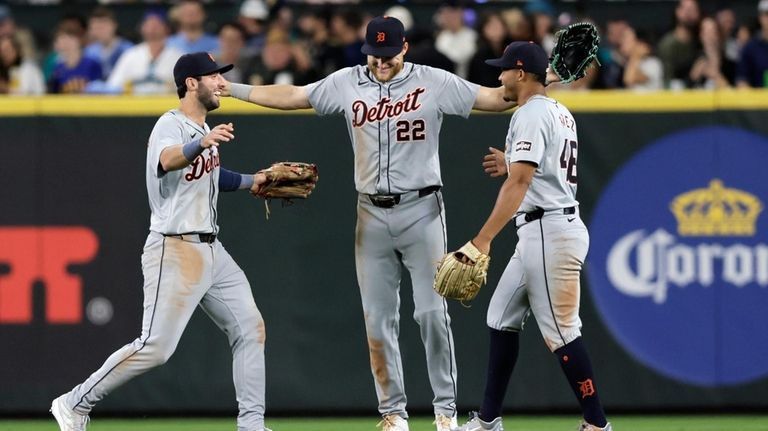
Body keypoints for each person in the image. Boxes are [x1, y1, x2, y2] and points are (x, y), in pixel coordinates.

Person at [224, 15, 519, 431]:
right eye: (374, 55)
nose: (380, 63)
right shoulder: (347, 81)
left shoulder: (433, 81)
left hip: (423, 209)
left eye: (388, 54)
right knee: (378, 318)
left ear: (403, 49)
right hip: (371, 212)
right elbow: (294, 95)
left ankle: (445, 412)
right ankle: (393, 413)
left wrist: (539, 82)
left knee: (432, 314)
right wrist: (233, 89)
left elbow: (494, 99)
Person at [50, 52, 272, 431]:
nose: (221, 83)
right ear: (191, 83)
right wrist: (201, 146)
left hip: (212, 251)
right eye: (214, 77)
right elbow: (169, 160)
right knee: (155, 347)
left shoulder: (204, 133)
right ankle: (74, 402)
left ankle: (251, 426)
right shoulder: (169, 125)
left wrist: (255, 181)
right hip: (176, 247)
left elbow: (210, 178)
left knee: (250, 328)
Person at [452, 41, 611, 431]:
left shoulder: (530, 114)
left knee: (562, 333)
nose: (499, 76)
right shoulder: (558, 110)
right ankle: (489, 420)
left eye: (504, 70)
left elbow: (520, 182)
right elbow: (541, 169)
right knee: (500, 316)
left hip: (548, 231)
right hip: (548, 227)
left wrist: (482, 239)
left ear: (521, 73)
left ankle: (597, 424)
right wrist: (510, 162)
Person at [104, 10, 183, 94]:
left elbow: (187, 91)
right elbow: (113, 85)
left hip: (168, 105)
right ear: (142, 28)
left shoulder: (178, 57)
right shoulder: (131, 55)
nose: (153, 28)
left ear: (166, 28)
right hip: (134, 105)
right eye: (149, 24)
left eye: (157, 24)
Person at [84, 6, 133, 78]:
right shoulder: (89, 52)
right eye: (96, 27)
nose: (100, 31)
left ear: (114, 25)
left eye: (103, 26)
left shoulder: (129, 50)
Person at [736, 0, 768, 88]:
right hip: (759, 100)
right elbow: (742, 81)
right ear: (760, 17)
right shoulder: (750, 48)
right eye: (767, 14)